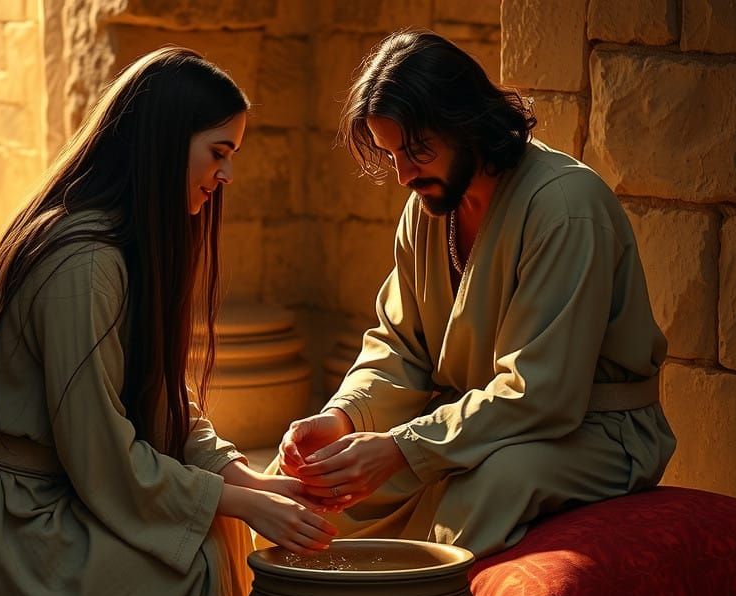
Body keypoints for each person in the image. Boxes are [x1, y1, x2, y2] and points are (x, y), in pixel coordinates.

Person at [0, 47, 340, 596]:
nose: (227, 173)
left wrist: (247, 481)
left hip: (33, 501)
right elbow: (100, 452)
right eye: (217, 152)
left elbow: (161, 398)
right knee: (202, 576)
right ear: (162, 142)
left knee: (219, 541)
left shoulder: (118, 244)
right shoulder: (84, 262)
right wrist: (232, 501)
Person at [277, 30, 676, 559]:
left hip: (593, 430)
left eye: (417, 150)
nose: (402, 175)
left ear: (467, 125)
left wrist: (403, 447)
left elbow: (540, 395)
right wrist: (344, 419)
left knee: (484, 487)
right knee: (305, 497)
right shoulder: (426, 209)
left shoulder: (564, 208)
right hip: (466, 424)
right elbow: (400, 348)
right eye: (391, 153)